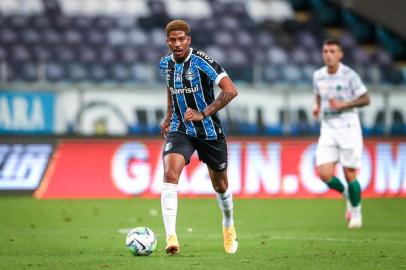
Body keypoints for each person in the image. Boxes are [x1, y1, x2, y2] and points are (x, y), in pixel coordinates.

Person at [159, 20, 238, 254]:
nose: (177, 44)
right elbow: (171, 88)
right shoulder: (165, 65)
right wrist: (169, 115)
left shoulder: (203, 62)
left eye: (181, 39)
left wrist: (204, 113)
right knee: (170, 172)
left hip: (209, 132)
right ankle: (171, 238)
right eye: (172, 40)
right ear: (167, 42)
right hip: (180, 128)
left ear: (188, 40)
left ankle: (228, 224)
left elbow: (231, 90)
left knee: (220, 185)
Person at [312, 38, 370, 229]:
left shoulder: (349, 75)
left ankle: (356, 211)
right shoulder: (318, 75)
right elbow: (318, 95)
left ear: (340, 54)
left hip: (349, 129)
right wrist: (317, 106)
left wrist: (345, 104)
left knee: (349, 173)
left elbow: (365, 99)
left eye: (332, 51)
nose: (328, 55)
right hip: (328, 129)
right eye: (325, 51)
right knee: (324, 173)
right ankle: (347, 194)